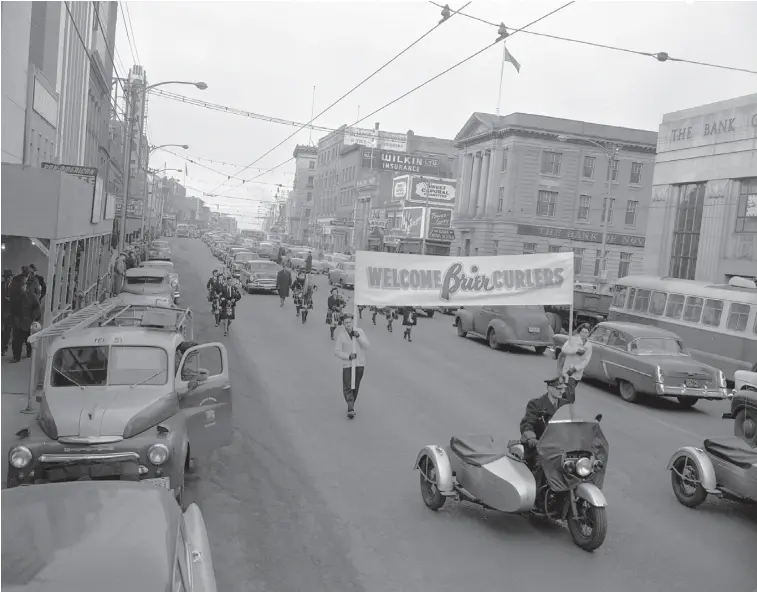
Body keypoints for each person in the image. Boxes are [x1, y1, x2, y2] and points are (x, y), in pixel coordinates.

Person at [519, 375, 569, 503]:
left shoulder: (566, 405)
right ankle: (535, 499)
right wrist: (531, 437)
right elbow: (527, 423)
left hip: (561, 446)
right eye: (558, 388)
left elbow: (573, 423)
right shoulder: (536, 404)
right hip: (539, 446)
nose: (561, 391)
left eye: (563, 388)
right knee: (542, 466)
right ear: (549, 388)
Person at [333, 314, 370, 419]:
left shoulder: (360, 331)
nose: (348, 325)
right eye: (346, 323)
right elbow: (336, 351)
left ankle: (351, 403)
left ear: (352, 322)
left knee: (356, 385)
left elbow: (366, 345)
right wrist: (348, 356)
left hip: (359, 363)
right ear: (343, 324)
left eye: (349, 322)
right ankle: (350, 407)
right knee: (347, 386)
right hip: (348, 364)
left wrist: (358, 337)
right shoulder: (341, 335)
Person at [10, 277, 41, 363]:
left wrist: (34, 317)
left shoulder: (32, 296)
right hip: (18, 322)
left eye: (23, 286)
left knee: (28, 340)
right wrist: (15, 320)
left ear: (26, 286)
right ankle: (16, 357)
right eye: (20, 286)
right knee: (17, 341)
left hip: (29, 322)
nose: (21, 287)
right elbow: (12, 310)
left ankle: (29, 351)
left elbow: (37, 307)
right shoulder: (15, 297)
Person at [559, 323, 593, 403]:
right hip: (568, 371)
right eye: (582, 332)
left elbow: (586, 360)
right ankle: (569, 407)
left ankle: (560, 404)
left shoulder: (589, 345)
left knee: (567, 391)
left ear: (588, 334)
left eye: (586, 332)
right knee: (570, 395)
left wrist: (576, 368)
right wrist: (575, 351)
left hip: (577, 372)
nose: (584, 334)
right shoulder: (572, 340)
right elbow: (564, 349)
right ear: (579, 332)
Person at [2, 270, 14, 355]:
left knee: (7, 331)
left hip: (9, 312)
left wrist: (11, 300)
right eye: (6, 278)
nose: (8, 279)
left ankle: (4, 348)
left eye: (9, 277)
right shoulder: (1, 285)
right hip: (1, 311)